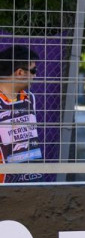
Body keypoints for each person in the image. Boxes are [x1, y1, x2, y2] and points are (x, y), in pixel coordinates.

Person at [0, 44, 44, 183]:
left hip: (32, 180)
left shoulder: (30, 98)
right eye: (33, 70)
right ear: (20, 72)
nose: (35, 75)